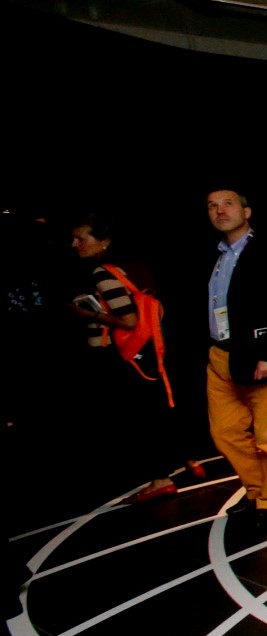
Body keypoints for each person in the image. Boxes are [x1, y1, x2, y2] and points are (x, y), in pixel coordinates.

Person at [69, 215, 196, 503]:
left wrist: (88, 313)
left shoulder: (102, 272)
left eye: (82, 238)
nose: (74, 244)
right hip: (153, 347)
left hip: (128, 352)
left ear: (104, 242)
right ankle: (189, 461)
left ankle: (160, 480)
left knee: (141, 415)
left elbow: (127, 320)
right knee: (162, 403)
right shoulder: (136, 266)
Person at [204, 187, 267, 531]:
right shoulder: (216, 255)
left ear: (246, 212)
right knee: (225, 432)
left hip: (263, 356)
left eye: (227, 204)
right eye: (212, 206)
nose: (219, 211)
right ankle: (256, 489)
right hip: (221, 355)